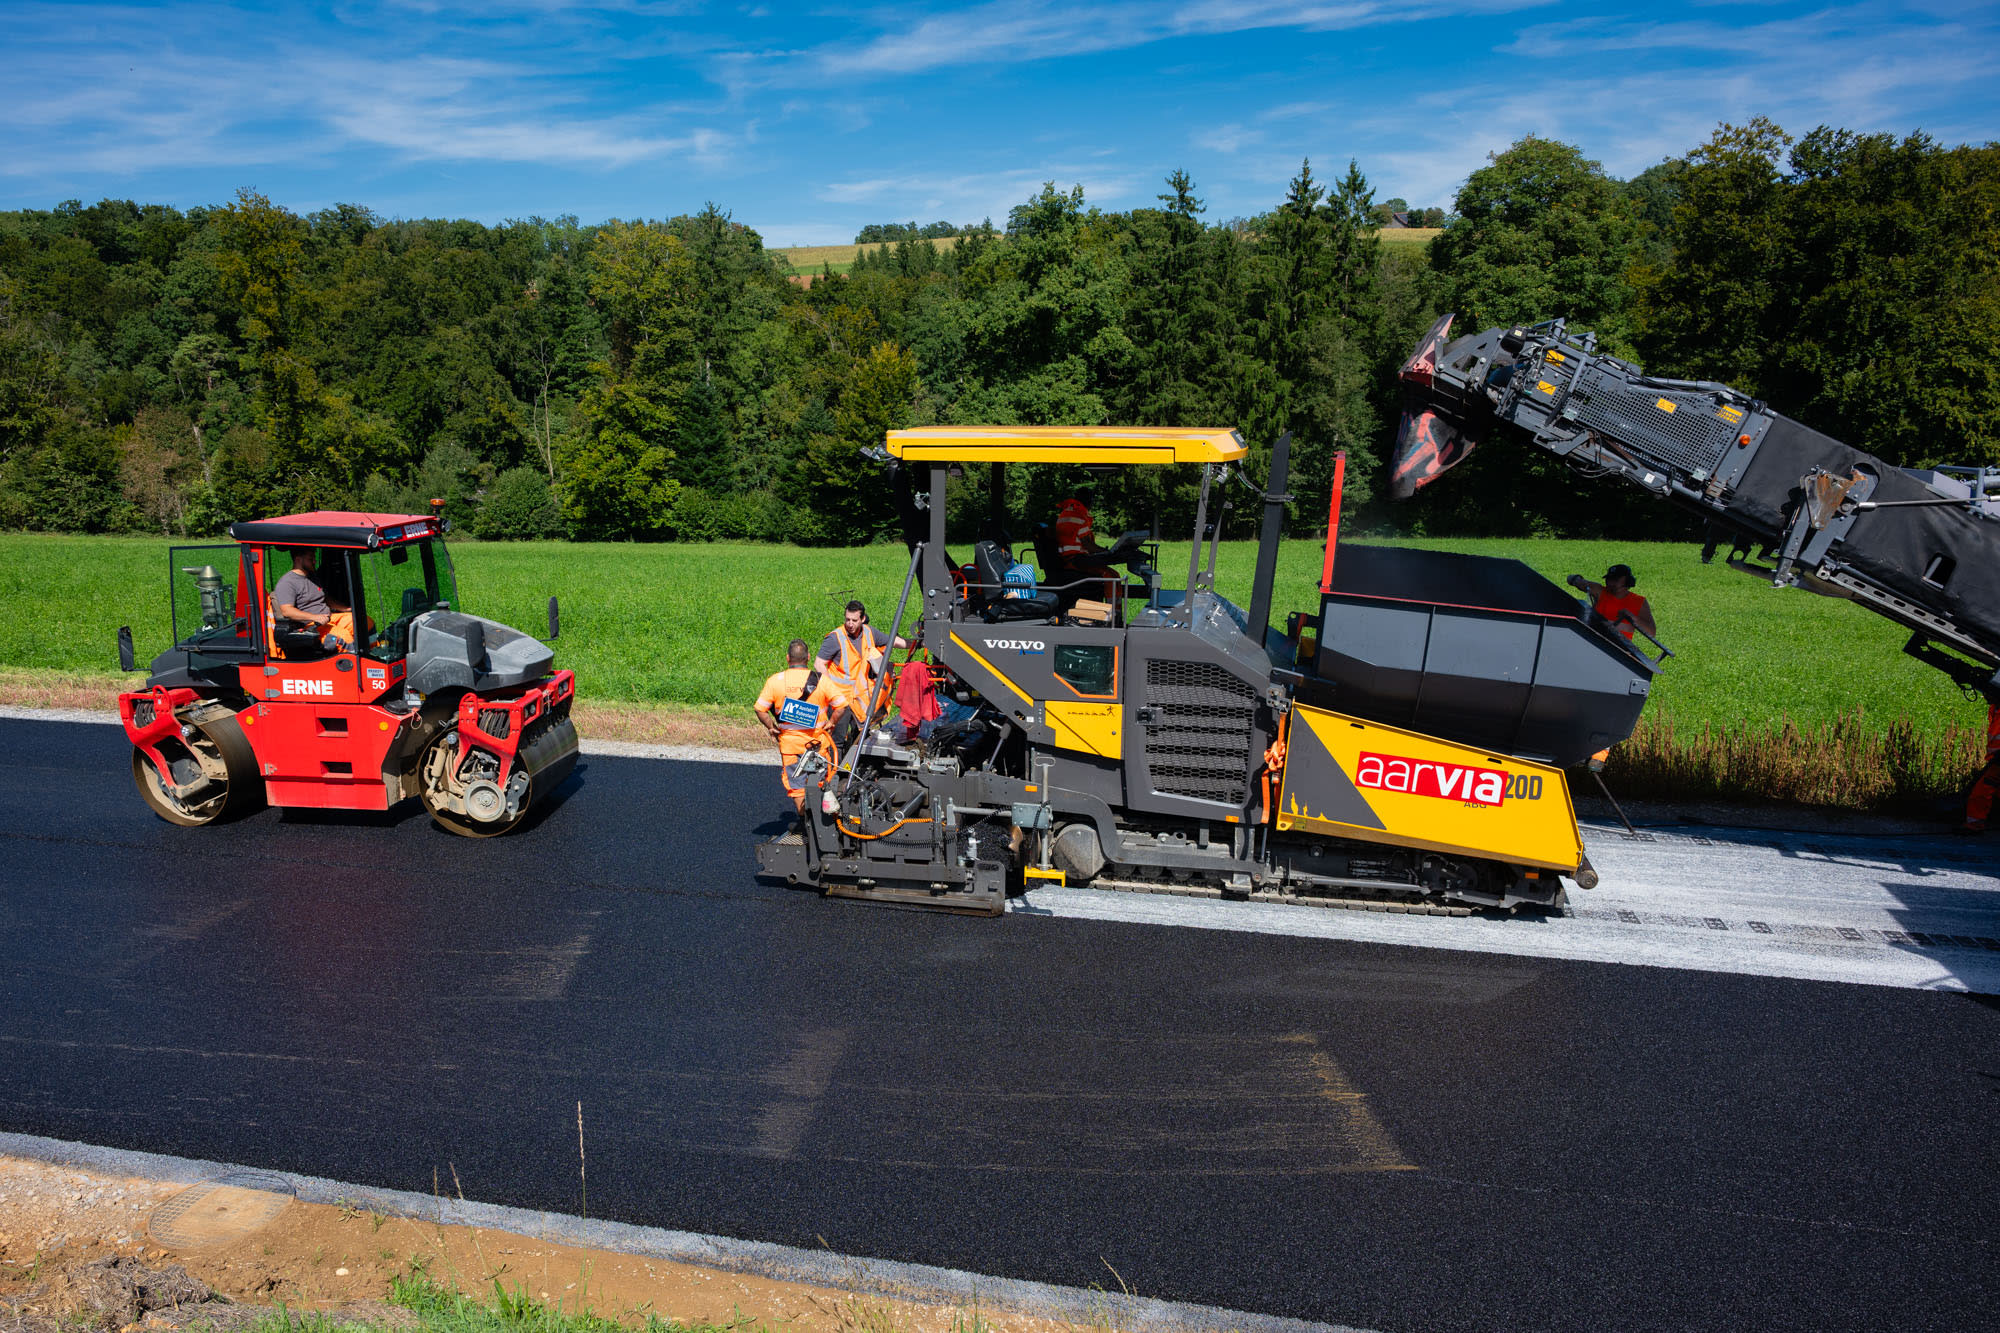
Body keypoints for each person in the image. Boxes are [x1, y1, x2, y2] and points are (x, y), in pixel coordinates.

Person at [755, 639, 853, 813]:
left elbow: (760, 708)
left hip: (790, 746)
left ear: (787, 658)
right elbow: (841, 706)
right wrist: (831, 723)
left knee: (796, 785)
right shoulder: (821, 681)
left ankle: (803, 820)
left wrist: (771, 726)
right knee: (821, 781)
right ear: (808, 657)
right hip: (817, 744)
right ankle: (819, 820)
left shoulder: (775, 681)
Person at [813, 601, 911, 726]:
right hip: (841, 699)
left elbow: (894, 641)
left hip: (860, 699)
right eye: (847, 619)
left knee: (858, 736)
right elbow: (819, 664)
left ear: (862, 619)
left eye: (854, 620)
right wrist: (831, 692)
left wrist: (917, 643)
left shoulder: (870, 632)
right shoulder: (835, 638)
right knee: (838, 740)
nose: (850, 624)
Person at [1054, 496, 1119, 602]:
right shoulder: (1079, 514)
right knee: (1112, 576)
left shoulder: (1065, 512)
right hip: (1076, 560)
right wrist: (1108, 552)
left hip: (1066, 559)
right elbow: (1088, 545)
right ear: (1090, 502)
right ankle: (1114, 613)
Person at [1569, 564, 1657, 641]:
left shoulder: (1639, 602)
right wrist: (1576, 579)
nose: (1610, 583)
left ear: (1628, 581)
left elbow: (1651, 632)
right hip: (1593, 639)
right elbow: (1574, 580)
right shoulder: (1600, 591)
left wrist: (1632, 617)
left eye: (1615, 579)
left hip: (1620, 648)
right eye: (1609, 579)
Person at [1962, 702, 2000, 834]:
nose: (1984, 696)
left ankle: (1974, 825)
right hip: (1996, 759)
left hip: (1997, 761)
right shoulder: (1994, 709)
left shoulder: (1996, 709)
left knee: (1982, 790)